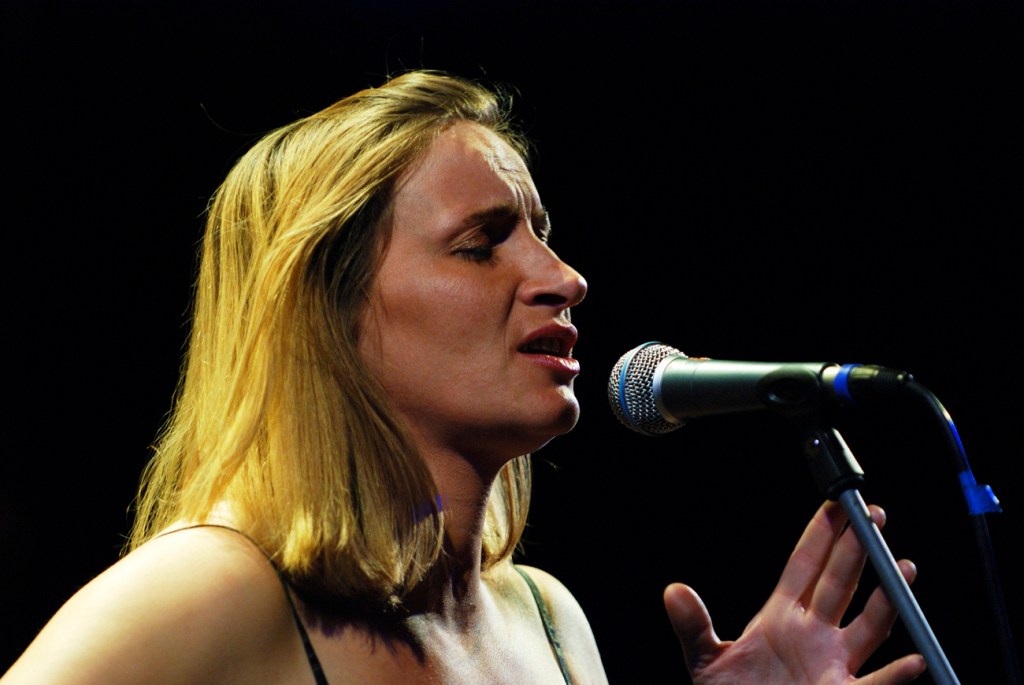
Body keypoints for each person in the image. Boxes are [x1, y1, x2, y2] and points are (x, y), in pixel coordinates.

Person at [1, 69, 927, 684]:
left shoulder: (550, 621)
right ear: (327, 308)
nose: (565, 278)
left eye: (543, 235)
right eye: (482, 243)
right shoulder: (210, 589)